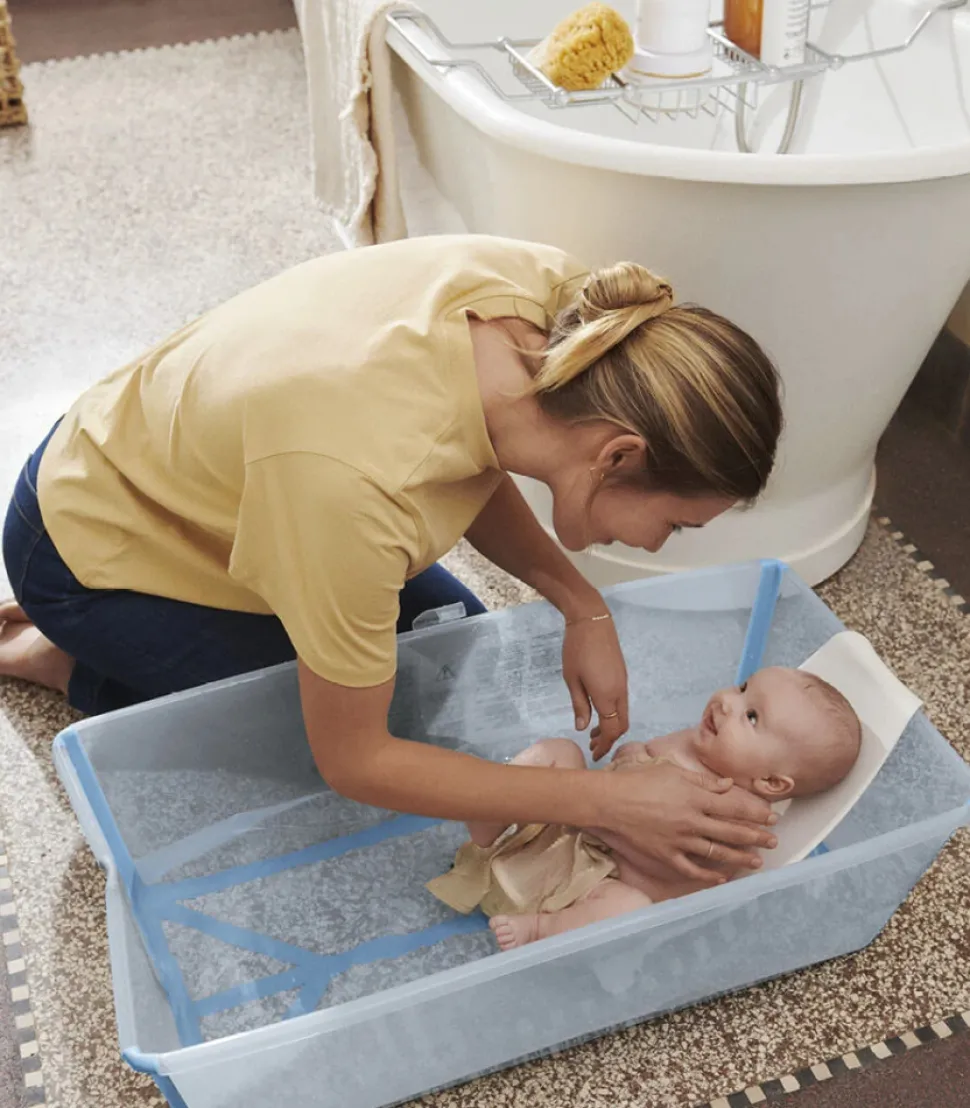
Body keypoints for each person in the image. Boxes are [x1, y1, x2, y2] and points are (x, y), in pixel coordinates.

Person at [0, 234, 783, 883]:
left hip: (185, 466)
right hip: (93, 549)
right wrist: (610, 803)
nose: (655, 545)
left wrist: (582, 606)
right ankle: (59, 653)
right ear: (617, 456)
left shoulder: (577, 319)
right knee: (362, 730)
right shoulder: (350, 486)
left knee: (452, 640)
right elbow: (356, 761)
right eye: (674, 525)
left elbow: (474, 454)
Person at [429, 667, 862, 949]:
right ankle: (489, 824)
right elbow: (637, 759)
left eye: (751, 716)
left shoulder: (739, 814)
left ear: (771, 784)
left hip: (590, 885)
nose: (727, 701)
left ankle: (541, 931)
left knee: (630, 910)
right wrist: (634, 754)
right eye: (743, 686)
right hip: (568, 826)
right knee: (559, 751)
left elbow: (682, 874)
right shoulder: (697, 742)